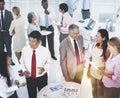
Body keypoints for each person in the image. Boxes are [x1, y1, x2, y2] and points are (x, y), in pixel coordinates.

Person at [20, 31, 51, 98]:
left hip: (42, 78)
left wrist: (44, 68)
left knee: (43, 95)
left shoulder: (45, 51)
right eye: (30, 41)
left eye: (33, 41)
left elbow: (49, 63)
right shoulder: (25, 49)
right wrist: (24, 70)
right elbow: (22, 61)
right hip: (30, 78)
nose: (31, 43)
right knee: (31, 95)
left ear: (39, 41)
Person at [87, 29, 109, 98]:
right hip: (92, 71)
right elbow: (91, 58)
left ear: (104, 38)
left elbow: (108, 63)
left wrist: (103, 70)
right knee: (93, 89)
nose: (96, 38)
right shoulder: (94, 45)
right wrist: (88, 69)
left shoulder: (107, 49)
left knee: (99, 90)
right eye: (96, 36)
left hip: (100, 72)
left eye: (98, 36)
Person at [0, 0, 14, 65]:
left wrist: (11, 34)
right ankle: (2, 61)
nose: (1, 6)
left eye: (2, 4)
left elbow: (13, 23)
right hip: (0, 35)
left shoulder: (9, 13)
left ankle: (10, 60)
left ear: (4, 4)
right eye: (0, 4)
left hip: (7, 34)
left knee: (9, 49)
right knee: (1, 49)